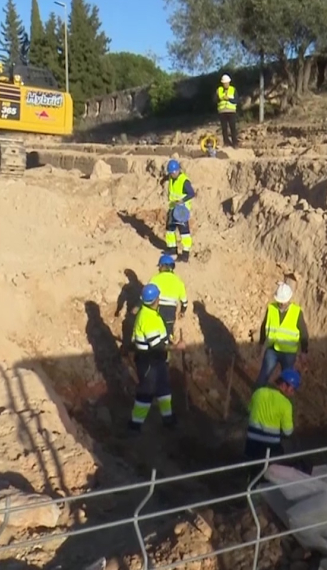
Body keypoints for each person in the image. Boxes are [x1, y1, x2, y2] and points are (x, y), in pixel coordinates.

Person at [129, 284, 184, 431]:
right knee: (146, 392)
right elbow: (156, 346)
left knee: (163, 388)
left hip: (157, 360)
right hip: (149, 361)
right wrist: (176, 347)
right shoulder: (148, 318)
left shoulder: (150, 313)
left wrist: (169, 339)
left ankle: (168, 419)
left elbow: (160, 337)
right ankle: (135, 424)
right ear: (155, 299)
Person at [254, 282, 309, 388]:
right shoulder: (271, 309)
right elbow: (264, 326)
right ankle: (256, 397)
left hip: (289, 353)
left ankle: (282, 401)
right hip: (272, 350)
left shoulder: (296, 312)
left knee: (286, 382)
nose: (281, 304)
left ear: (289, 299)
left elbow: (304, 333)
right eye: (279, 301)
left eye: (283, 302)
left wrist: (304, 351)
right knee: (263, 376)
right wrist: (261, 344)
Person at [245, 368, 300, 467]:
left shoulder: (259, 392)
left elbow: (249, 410)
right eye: (293, 389)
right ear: (284, 385)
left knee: (252, 467)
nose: (293, 393)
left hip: (251, 443)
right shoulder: (286, 405)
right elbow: (288, 432)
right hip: (270, 447)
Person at [147, 253, 188, 338]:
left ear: (164, 266)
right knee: (168, 334)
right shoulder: (179, 281)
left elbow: (147, 295)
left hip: (156, 309)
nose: (159, 268)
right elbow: (184, 302)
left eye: (160, 266)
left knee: (154, 334)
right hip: (170, 311)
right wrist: (182, 312)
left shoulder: (155, 278)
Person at [162, 159, 196, 262]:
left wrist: (182, 200)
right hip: (173, 208)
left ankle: (185, 254)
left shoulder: (184, 181)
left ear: (177, 170)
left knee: (184, 232)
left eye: (173, 172)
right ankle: (172, 249)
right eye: (170, 173)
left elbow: (192, 193)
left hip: (181, 211)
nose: (172, 174)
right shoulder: (172, 178)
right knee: (170, 230)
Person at [216, 74, 239, 148]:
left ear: (229, 82)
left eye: (227, 83)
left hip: (231, 111)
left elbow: (236, 100)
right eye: (224, 83)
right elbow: (214, 100)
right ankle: (226, 142)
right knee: (224, 128)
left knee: (233, 128)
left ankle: (235, 143)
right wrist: (221, 98)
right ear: (222, 83)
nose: (226, 84)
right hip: (222, 111)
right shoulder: (219, 90)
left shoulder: (233, 89)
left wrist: (228, 99)